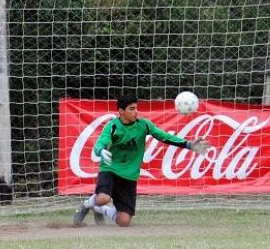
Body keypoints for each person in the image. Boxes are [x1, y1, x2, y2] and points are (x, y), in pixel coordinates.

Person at [73, 93, 211, 227]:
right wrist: (101, 150)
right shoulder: (112, 126)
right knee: (103, 198)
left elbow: (165, 137)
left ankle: (99, 209)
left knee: (124, 222)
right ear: (121, 111)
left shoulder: (144, 125)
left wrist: (189, 145)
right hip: (110, 169)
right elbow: (101, 142)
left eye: (136, 108)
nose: (136, 112)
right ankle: (86, 205)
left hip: (129, 175)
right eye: (131, 109)